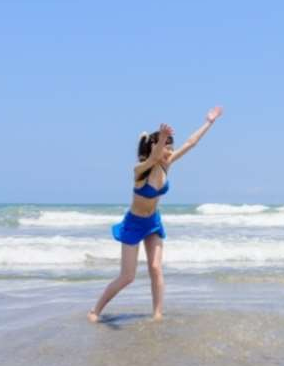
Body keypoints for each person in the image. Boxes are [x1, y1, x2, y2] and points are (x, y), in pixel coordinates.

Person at [88, 106, 223, 322]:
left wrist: (209, 122)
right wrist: (161, 139)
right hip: (133, 224)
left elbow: (191, 143)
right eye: (165, 146)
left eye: (170, 147)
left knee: (156, 267)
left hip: (153, 221)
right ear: (154, 147)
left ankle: (157, 314)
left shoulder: (166, 165)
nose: (169, 151)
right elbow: (152, 158)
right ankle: (95, 311)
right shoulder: (141, 170)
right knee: (127, 277)